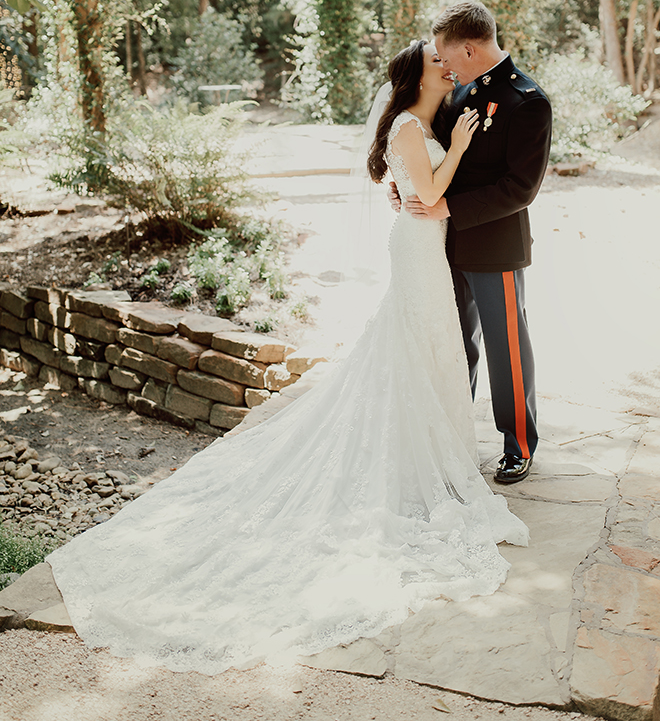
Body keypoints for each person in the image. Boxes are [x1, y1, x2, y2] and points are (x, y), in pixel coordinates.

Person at [46, 40, 528, 677]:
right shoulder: (417, 126)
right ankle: (418, 461)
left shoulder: (430, 121)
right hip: (418, 248)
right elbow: (431, 187)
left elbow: (414, 181)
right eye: (436, 60)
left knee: (428, 347)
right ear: (419, 76)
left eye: (450, 57)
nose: (448, 64)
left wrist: (433, 162)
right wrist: (454, 151)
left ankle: (429, 454)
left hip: (427, 247)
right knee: (417, 344)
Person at [390, 1, 552, 485]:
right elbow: (431, 154)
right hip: (442, 245)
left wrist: (450, 208)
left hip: (495, 245)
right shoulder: (458, 96)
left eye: (445, 54)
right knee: (457, 346)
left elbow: (521, 188)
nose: (443, 65)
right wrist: (410, 187)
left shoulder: (528, 101)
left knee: (506, 349)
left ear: (467, 47)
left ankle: (518, 444)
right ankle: (454, 437)